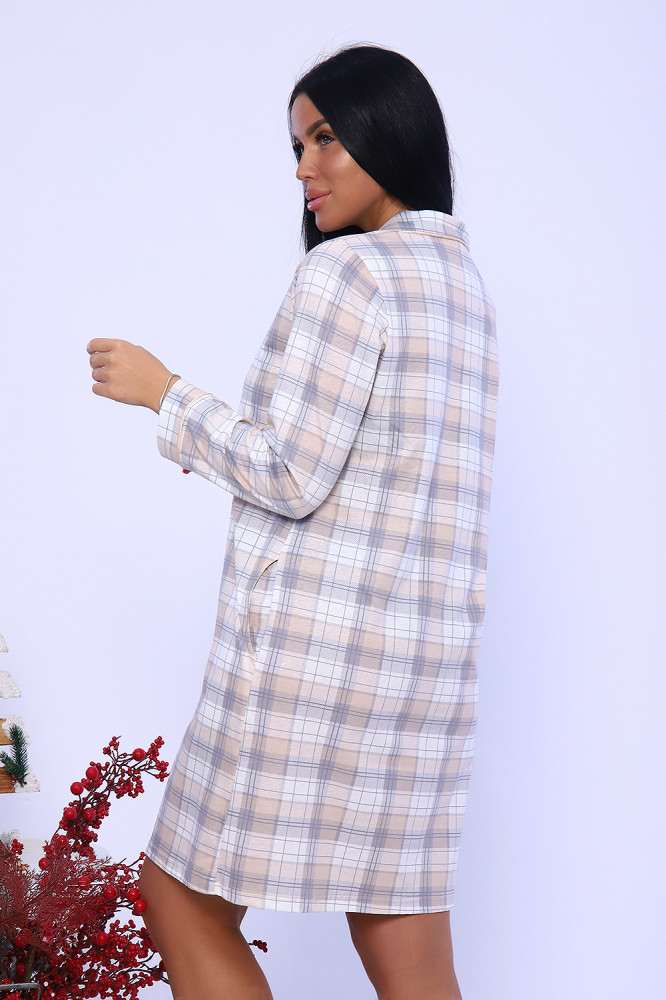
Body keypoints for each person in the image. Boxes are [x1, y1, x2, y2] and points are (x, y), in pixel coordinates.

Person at [87, 44, 498, 1000]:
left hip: (309, 671)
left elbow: (290, 470)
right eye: (297, 145)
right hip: (420, 685)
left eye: (325, 138)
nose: (304, 166)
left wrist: (166, 394)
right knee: (409, 951)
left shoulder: (347, 272)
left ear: (389, 133)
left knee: (179, 897)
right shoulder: (462, 286)